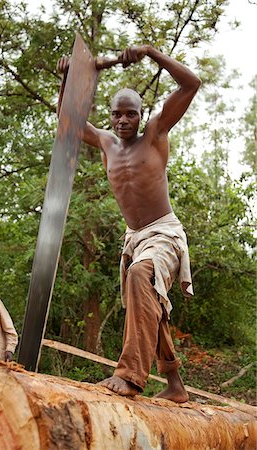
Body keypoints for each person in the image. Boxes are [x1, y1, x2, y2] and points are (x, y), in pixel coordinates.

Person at [57, 44, 201, 402]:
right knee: (150, 300)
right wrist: (66, 79)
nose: (123, 121)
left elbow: (191, 84)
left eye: (130, 115)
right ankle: (175, 385)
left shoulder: (155, 135)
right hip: (135, 237)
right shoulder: (106, 143)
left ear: (141, 116)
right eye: (117, 115)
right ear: (110, 117)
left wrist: (151, 52)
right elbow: (68, 121)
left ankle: (131, 376)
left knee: (142, 275)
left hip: (163, 232)